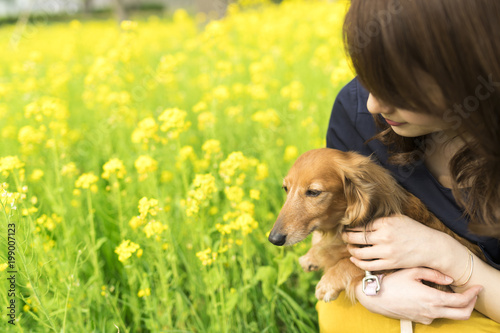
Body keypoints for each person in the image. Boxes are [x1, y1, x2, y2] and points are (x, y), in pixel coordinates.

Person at [317, 0, 500, 331]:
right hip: (392, 294)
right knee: (341, 310)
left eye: (397, 88)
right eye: (367, 75)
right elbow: (330, 235)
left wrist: (447, 256)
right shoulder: (356, 112)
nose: (374, 103)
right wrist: (370, 289)